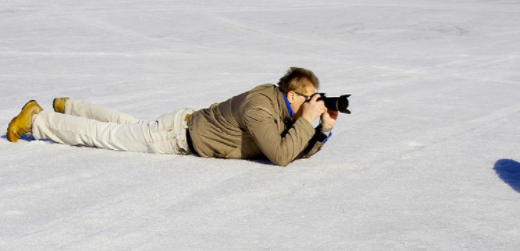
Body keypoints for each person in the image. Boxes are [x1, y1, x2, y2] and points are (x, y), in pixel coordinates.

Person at [6, 67, 338, 166]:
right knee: (108, 137)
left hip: (181, 127)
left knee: (128, 126)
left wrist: (321, 130)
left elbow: (293, 148)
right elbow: (281, 155)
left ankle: (72, 106)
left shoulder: (281, 108)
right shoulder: (262, 108)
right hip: (177, 135)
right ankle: (37, 120)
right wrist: (308, 121)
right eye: (310, 98)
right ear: (292, 95)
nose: (315, 103)